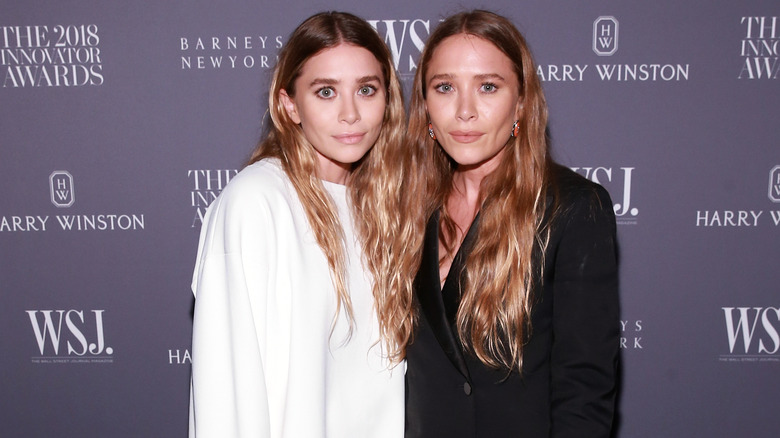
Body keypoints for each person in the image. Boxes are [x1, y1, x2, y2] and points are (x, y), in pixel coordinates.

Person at [188, 11, 411, 438]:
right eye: (326, 91)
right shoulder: (256, 202)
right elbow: (226, 392)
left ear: (388, 99)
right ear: (289, 104)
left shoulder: (385, 209)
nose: (350, 113)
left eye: (366, 89)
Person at [401, 10, 620, 438]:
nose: (465, 111)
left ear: (521, 101)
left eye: (488, 87)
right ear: (425, 103)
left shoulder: (572, 208)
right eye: (445, 87)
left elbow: (584, 389)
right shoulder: (405, 206)